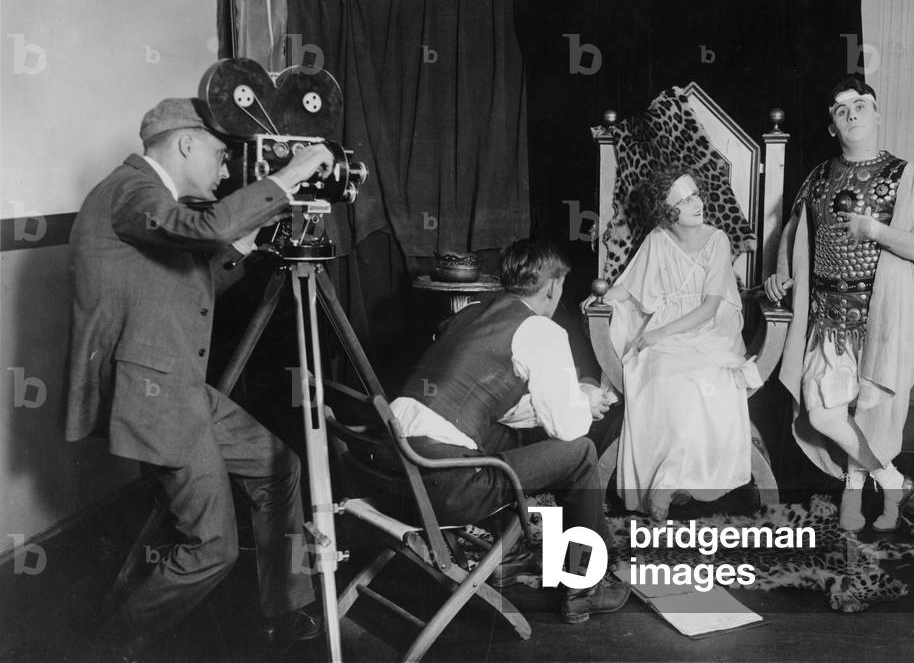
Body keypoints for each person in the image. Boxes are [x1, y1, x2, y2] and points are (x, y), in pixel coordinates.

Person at [64, 98, 336, 653]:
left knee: (278, 466)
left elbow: (193, 283)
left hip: (176, 384)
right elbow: (205, 228)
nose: (225, 168)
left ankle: (283, 609)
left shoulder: (152, 205)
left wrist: (253, 237)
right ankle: (110, 647)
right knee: (212, 548)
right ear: (186, 144)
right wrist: (290, 174)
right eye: (220, 154)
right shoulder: (131, 190)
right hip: (153, 394)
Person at [390, 238, 629, 624]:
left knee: (513, 434)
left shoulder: (471, 312)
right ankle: (586, 583)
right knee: (581, 453)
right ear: (553, 286)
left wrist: (568, 399)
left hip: (393, 470)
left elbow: (497, 404)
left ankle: (510, 554)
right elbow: (568, 429)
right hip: (443, 485)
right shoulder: (541, 330)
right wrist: (584, 402)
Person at [765, 79, 914, 532]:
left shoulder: (910, 177)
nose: (851, 113)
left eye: (861, 105)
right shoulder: (818, 177)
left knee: (871, 411)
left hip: (882, 314)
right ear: (832, 126)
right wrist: (780, 272)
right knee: (822, 411)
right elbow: (794, 234)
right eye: (841, 109)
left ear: (877, 114)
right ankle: (892, 480)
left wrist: (874, 230)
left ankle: (855, 487)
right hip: (826, 314)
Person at [591, 168, 761, 521]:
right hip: (667, 328)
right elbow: (631, 287)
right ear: (668, 211)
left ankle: (669, 483)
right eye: (684, 200)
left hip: (711, 331)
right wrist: (599, 299)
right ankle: (667, 481)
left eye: (695, 194)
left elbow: (709, 309)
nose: (696, 204)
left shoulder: (717, 240)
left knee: (698, 380)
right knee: (659, 374)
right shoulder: (658, 238)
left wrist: (658, 335)